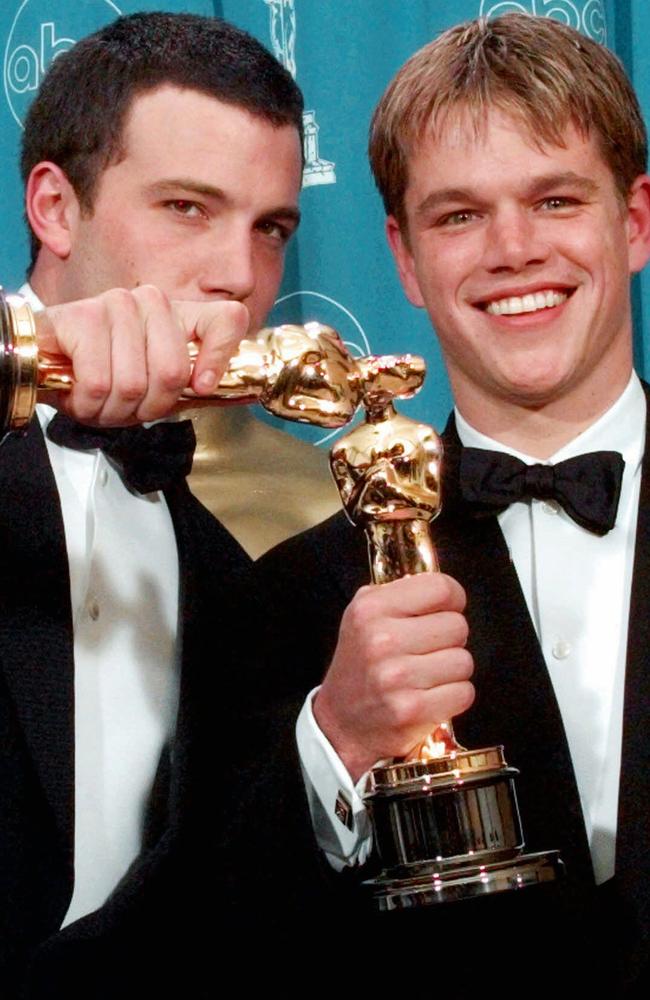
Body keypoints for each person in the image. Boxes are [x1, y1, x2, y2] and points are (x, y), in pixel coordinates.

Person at [255, 12, 650, 993]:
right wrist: (335, 743)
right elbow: (222, 940)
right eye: (458, 215)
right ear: (403, 257)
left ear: (632, 222)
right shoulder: (307, 582)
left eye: (554, 199)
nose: (512, 249)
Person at [0, 10, 304, 996]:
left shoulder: (244, 551)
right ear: (54, 206)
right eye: (186, 207)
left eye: (270, 228)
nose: (237, 276)